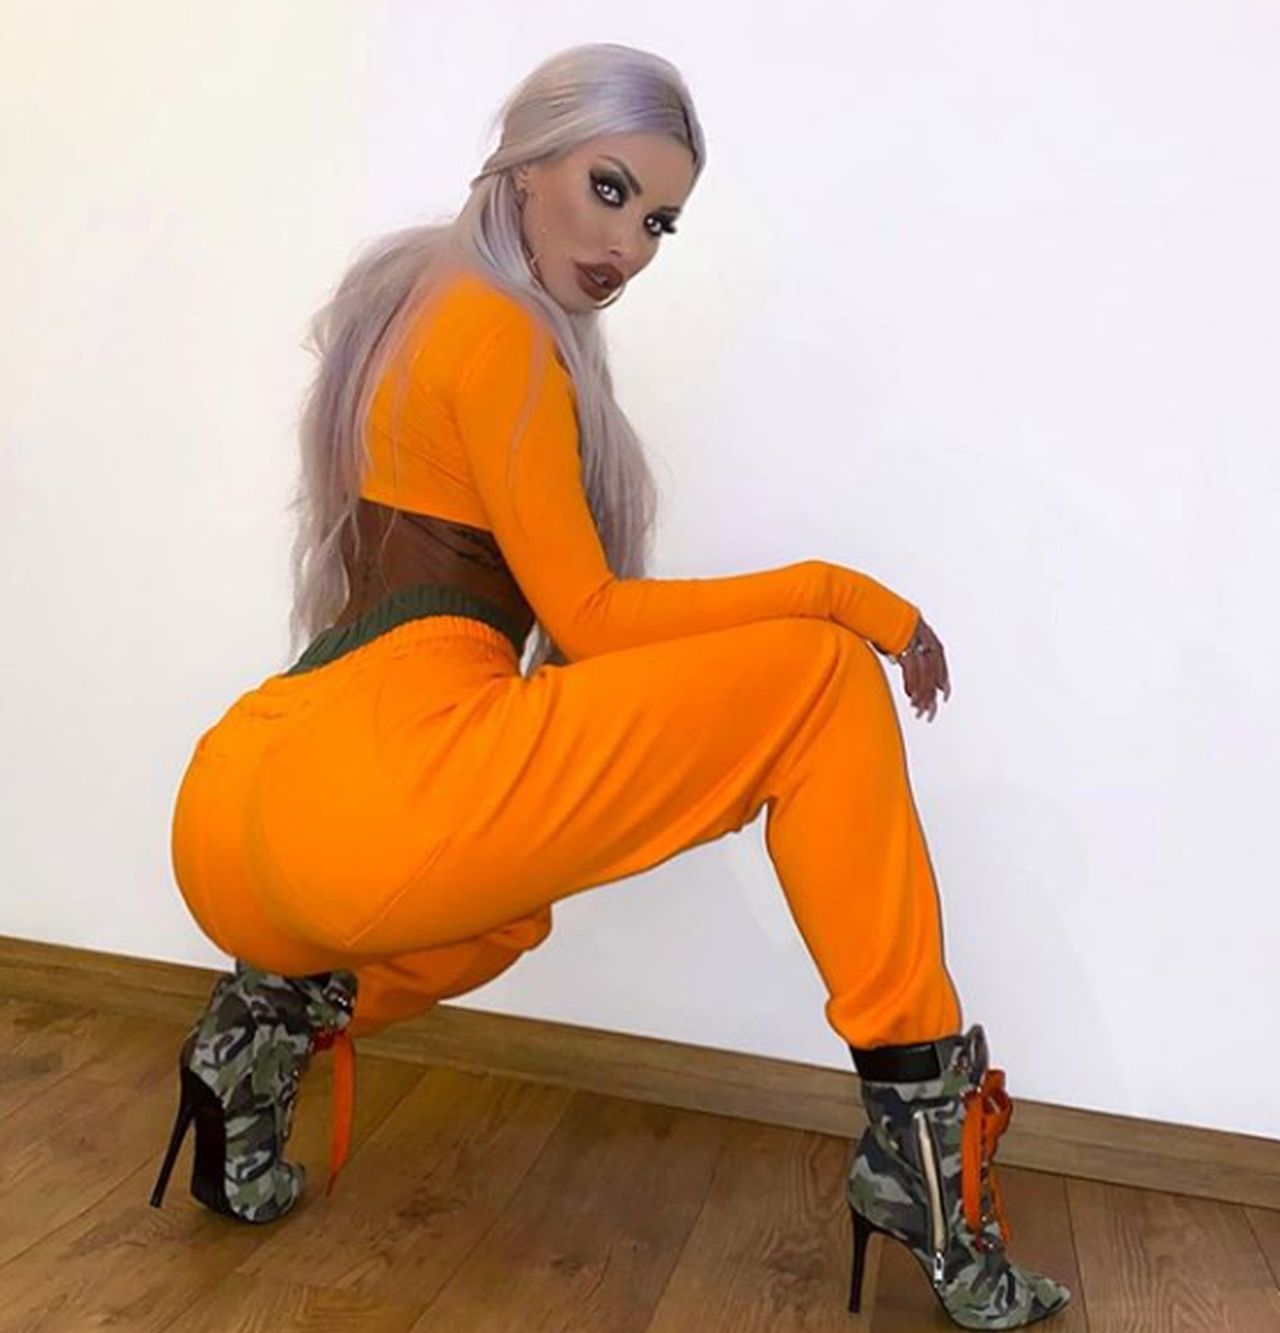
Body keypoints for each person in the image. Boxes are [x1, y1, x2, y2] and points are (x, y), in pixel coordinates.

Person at [147, 41, 1069, 1327]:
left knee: (508, 908)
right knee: (817, 677)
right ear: (526, 165)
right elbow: (587, 620)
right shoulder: (497, 328)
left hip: (243, 803)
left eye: (659, 222)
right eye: (609, 188)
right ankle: (922, 1149)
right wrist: (841, 594)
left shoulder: (405, 297)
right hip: (378, 809)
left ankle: (266, 1028)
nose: (628, 245)